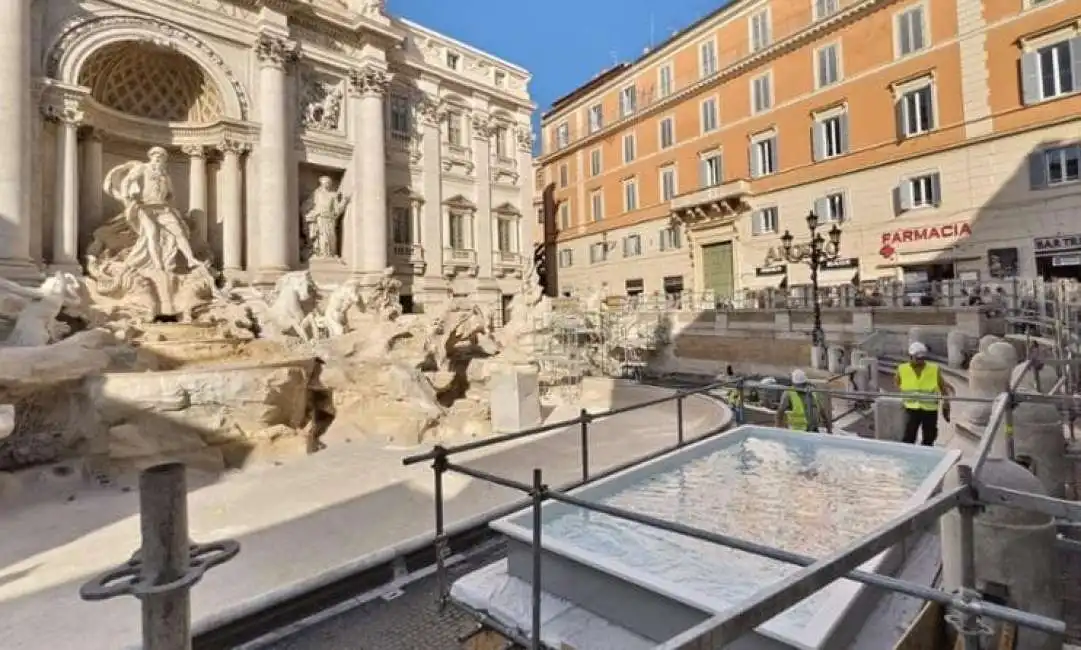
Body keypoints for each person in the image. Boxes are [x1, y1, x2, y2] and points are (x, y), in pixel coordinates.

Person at [897, 341, 953, 446]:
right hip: (911, 408)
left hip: (930, 408)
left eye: (922, 358)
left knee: (929, 437)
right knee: (909, 436)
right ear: (910, 356)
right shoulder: (902, 369)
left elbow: (942, 387)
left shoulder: (933, 369)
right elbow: (898, 383)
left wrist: (946, 403)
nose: (920, 361)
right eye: (917, 358)